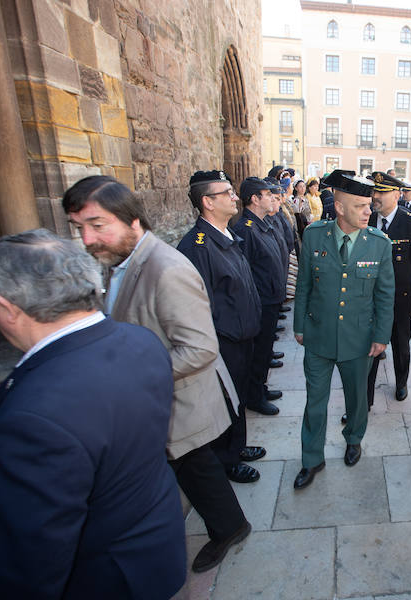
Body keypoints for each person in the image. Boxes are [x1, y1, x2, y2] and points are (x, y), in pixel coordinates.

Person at [0, 229, 187, 598]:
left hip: (101, 579)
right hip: (152, 549)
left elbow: (25, 565)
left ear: (6, 308)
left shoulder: (30, 420)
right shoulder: (141, 341)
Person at [63, 176, 252, 573]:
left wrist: (131, 378)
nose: (86, 239)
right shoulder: (121, 261)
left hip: (178, 402)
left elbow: (200, 348)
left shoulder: (165, 268)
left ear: (132, 221)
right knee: (199, 469)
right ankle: (230, 526)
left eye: (98, 225)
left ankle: (216, 533)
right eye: (78, 228)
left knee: (187, 470)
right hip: (162, 408)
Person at [292, 170, 395, 489]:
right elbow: (304, 284)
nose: (369, 211)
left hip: (358, 339)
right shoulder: (313, 235)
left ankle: (353, 439)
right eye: (362, 206)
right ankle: (311, 458)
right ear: (339, 207)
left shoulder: (379, 244)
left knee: (356, 399)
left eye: (370, 205)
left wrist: (381, 336)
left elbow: (385, 294)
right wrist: (299, 325)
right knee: (315, 402)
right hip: (318, 336)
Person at [178, 170, 264, 483]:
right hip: (223, 342)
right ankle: (227, 461)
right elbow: (199, 304)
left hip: (242, 337)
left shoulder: (225, 235)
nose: (234, 197)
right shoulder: (198, 246)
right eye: (226, 192)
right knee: (225, 400)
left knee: (238, 396)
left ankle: (237, 446)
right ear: (207, 202)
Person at [367, 171, 411, 405]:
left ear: (396, 194)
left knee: (401, 343)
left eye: (381, 192)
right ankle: (366, 398)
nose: (376, 196)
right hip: (369, 299)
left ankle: (401, 382)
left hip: (400, 298)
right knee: (369, 349)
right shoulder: (368, 220)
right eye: (375, 191)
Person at [233, 177, 289, 416]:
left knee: (265, 349)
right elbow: (245, 273)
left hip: (271, 298)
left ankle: (261, 388)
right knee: (258, 353)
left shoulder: (262, 224)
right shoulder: (245, 229)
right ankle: (254, 396)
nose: (272, 198)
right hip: (261, 302)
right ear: (255, 199)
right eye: (267, 194)